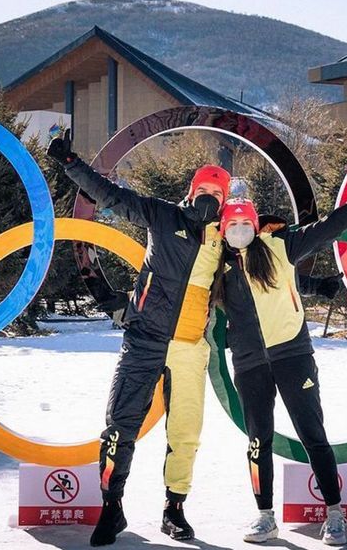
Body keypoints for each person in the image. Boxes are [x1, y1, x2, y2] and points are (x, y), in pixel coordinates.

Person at [47, 129, 226, 546]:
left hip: (190, 349)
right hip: (145, 339)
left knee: (186, 432)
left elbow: (275, 257)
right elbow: (109, 195)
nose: (208, 201)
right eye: (203, 191)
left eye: (216, 196)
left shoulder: (226, 239)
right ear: (191, 191)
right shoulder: (162, 215)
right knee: (119, 425)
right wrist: (69, 162)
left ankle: (174, 510)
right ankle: (112, 508)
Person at [214, 184, 347, 546]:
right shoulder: (216, 264)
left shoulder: (280, 247)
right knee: (257, 442)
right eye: (231, 226)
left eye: (245, 225)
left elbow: (330, 226)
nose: (239, 231)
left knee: (313, 435)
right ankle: (264, 516)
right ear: (223, 230)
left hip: (292, 356)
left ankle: (334, 513)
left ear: (255, 225)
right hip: (249, 363)